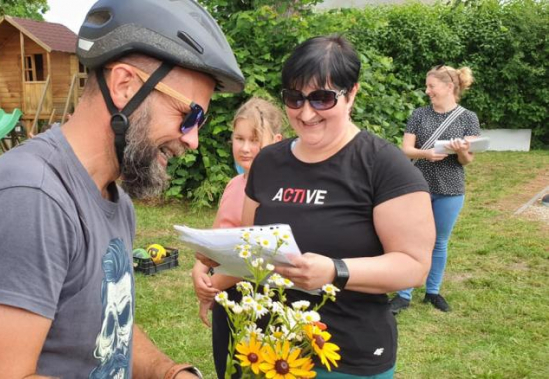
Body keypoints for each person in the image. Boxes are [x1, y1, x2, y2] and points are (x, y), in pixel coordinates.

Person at [0, 0, 245, 377]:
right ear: (125, 85)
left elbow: (106, 329)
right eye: (189, 115)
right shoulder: (29, 199)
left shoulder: (114, 199)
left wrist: (170, 373)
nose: (192, 140)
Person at [197, 35, 435, 378]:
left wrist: (335, 271)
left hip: (347, 355)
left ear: (351, 93)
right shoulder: (268, 162)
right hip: (269, 350)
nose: (306, 113)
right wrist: (212, 268)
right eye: (294, 98)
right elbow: (252, 251)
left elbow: (413, 266)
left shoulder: (384, 165)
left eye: (322, 98)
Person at [190, 97, 285, 378]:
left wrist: (213, 284)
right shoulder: (235, 183)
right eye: (239, 138)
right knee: (226, 365)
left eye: (255, 139)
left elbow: (259, 254)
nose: (245, 148)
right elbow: (218, 235)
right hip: (225, 297)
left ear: (276, 141)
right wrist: (199, 271)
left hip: (258, 301)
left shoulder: (277, 190)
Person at [389, 65, 480, 315]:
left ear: (449, 87)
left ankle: (433, 292)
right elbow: (406, 149)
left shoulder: (468, 117)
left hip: (451, 188)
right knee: (411, 241)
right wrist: (425, 153)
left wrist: (461, 150)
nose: (427, 90)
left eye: (432, 86)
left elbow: (467, 160)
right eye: (427, 86)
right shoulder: (419, 114)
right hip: (417, 186)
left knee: (439, 242)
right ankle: (403, 294)